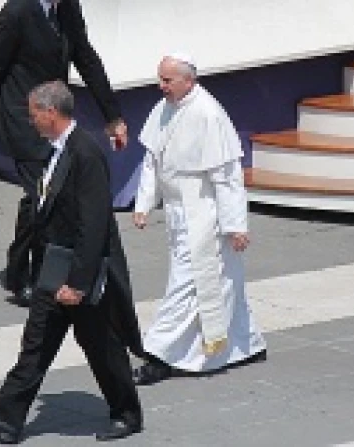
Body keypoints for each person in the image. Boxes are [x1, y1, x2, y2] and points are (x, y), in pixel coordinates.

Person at [0, 81, 143, 444]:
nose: (31, 122)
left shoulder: (85, 153)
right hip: (53, 268)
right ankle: (6, 419)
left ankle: (126, 413)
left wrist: (77, 283)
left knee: (102, 347)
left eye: (34, 115)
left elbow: (95, 225)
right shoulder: (57, 151)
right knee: (36, 345)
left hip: (80, 272)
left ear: (51, 113)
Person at [0, 0, 128, 304]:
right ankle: (30, 279)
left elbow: (84, 56)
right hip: (24, 118)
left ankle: (19, 269)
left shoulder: (67, 7)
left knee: (39, 199)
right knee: (43, 198)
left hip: (54, 121)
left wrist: (112, 116)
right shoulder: (16, 12)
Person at [131, 53, 267, 385]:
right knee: (225, 284)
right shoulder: (165, 107)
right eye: (160, 79)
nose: (161, 86)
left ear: (188, 80)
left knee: (187, 285)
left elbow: (227, 176)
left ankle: (158, 353)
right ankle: (245, 344)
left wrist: (235, 225)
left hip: (205, 215)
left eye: (167, 80)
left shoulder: (208, 113)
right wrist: (144, 203)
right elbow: (153, 160)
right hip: (179, 213)